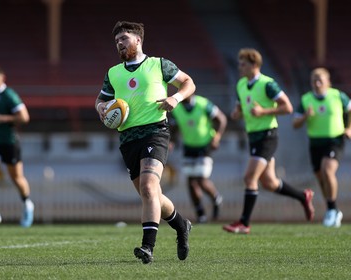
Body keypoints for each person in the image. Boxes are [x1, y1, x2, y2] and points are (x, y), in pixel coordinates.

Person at [95, 21, 194, 264]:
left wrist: (176, 98)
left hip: (155, 131)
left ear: (138, 40)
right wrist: (102, 110)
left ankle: (147, 247)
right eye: (117, 40)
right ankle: (182, 225)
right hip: (127, 137)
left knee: (150, 187)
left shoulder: (159, 64)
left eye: (124, 38)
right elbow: (100, 101)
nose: (120, 43)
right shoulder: (112, 73)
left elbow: (189, 82)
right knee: (151, 195)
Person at [222, 48, 315, 234]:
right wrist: (236, 113)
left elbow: (287, 107)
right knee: (269, 183)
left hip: (267, 136)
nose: (240, 67)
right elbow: (240, 107)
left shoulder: (268, 84)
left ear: (254, 65)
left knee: (249, 178)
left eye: (243, 64)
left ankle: (244, 222)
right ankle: (303, 196)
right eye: (239, 63)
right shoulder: (241, 84)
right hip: (253, 136)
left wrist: (264, 111)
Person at [293, 67, 351, 228]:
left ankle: (332, 211)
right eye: (314, 80)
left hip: (335, 140)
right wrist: (305, 116)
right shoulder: (306, 99)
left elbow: (350, 109)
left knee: (327, 170)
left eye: (320, 80)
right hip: (315, 143)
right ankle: (333, 209)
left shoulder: (338, 96)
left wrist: (349, 127)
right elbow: (295, 123)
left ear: (328, 82)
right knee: (321, 178)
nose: (317, 83)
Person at [0, 65, 34, 228]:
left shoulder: (9, 95)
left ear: (2, 78)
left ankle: (27, 204)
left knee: (16, 178)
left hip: (9, 143)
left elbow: (24, 117)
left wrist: (2, 119)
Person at [169, 94, 226, 223]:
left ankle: (216, 198)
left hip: (205, 146)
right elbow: (174, 127)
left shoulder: (203, 104)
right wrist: (172, 141)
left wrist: (217, 137)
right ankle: (201, 214)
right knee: (191, 182)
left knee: (200, 179)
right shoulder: (177, 108)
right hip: (189, 147)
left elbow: (222, 119)